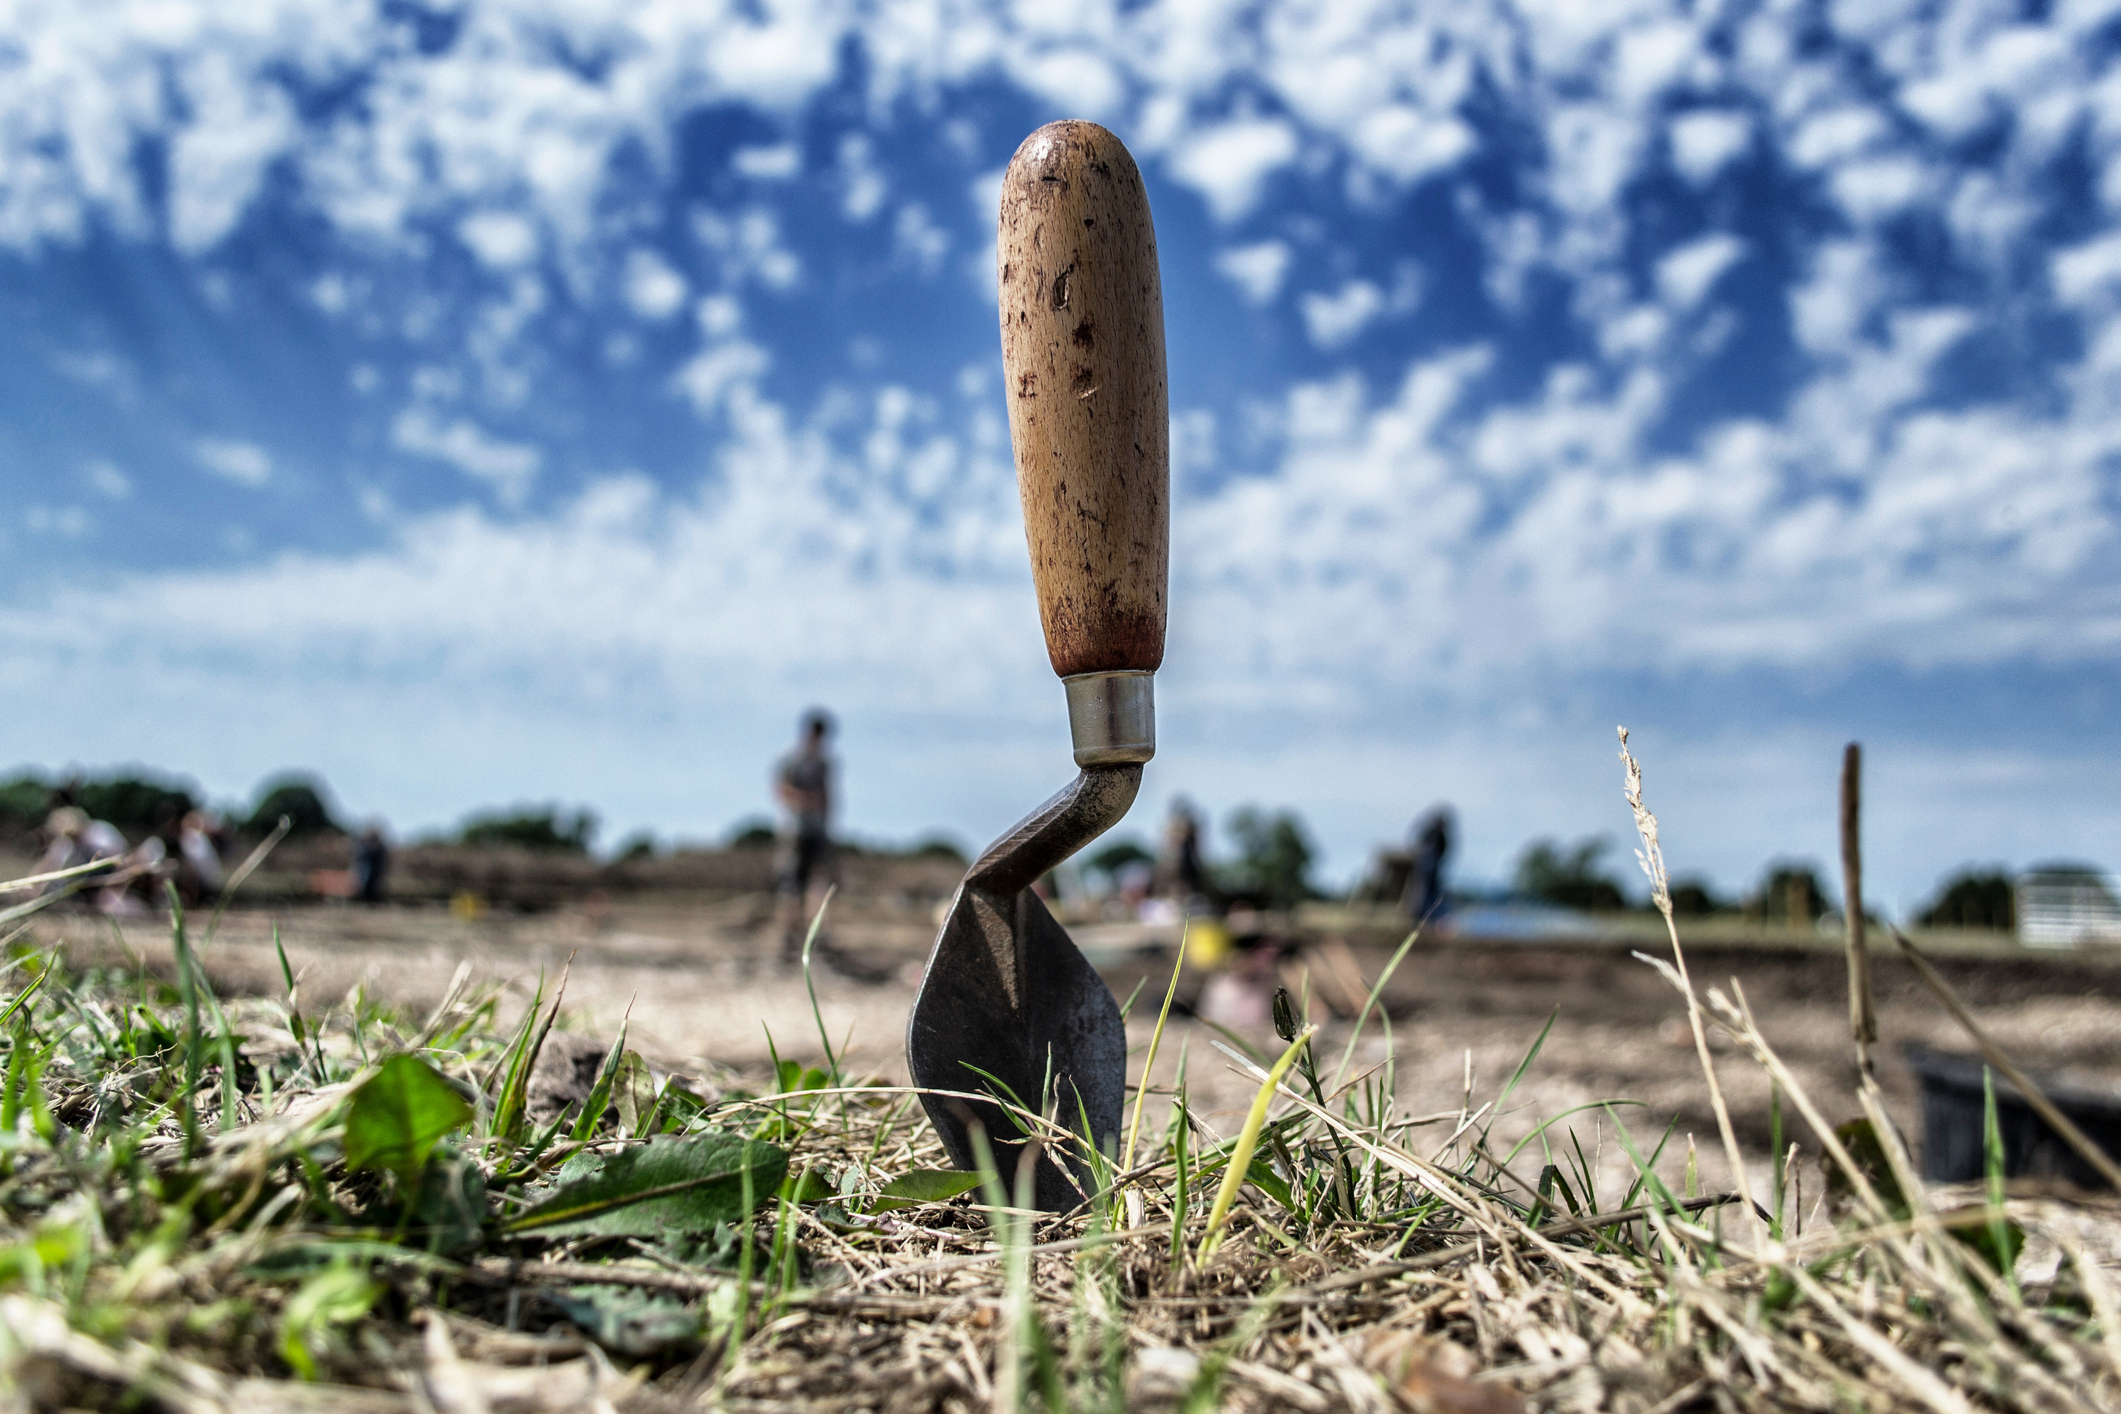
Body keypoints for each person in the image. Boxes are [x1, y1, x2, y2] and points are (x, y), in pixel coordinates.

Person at [772, 709, 836, 968]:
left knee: (818, 884)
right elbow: (781, 790)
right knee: (792, 885)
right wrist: (804, 801)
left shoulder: (824, 763)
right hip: (797, 831)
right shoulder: (792, 760)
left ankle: (816, 937)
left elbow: (829, 795)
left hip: (818, 832)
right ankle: (790, 937)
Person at [1407, 805, 1454, 926]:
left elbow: (1444, 850)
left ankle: (1429, 917)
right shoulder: (1431, 832)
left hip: (1430, 869)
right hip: (1426, 869)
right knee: (1423, 893)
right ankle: (1423, 917)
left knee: (1430, 893)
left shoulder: (1436, 834)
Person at [351, 823, 390, 905]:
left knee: (373, 888)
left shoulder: (380, 848)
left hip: (374, 874)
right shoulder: (362, 847)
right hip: (364, 874)